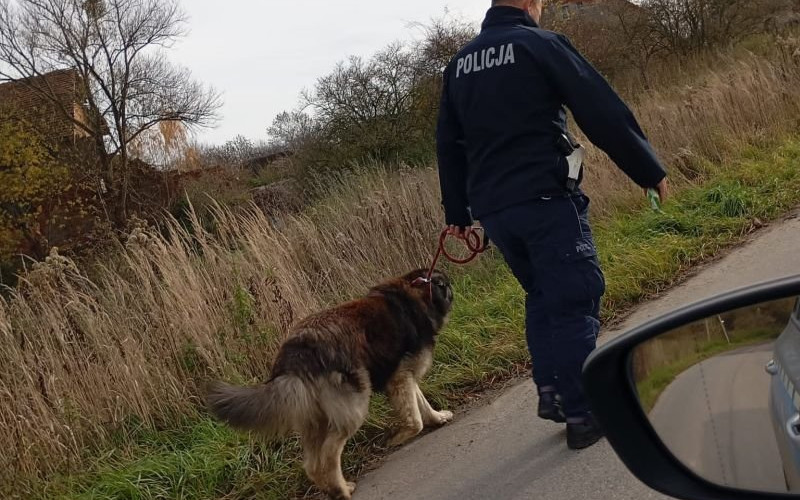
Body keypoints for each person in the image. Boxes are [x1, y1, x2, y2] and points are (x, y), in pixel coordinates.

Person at [436, 0, 668, 450]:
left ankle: (553, 392)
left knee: (542, 295)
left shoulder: (459, 65)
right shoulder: (538, 44)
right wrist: (648, 170)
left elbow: (448, 143)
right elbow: (601, 110)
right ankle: (585, 412)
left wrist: (458, 215)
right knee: (574, 297)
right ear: (528, 3)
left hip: (497, 213)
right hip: (545, 200)